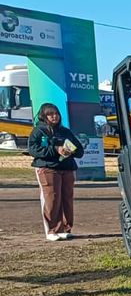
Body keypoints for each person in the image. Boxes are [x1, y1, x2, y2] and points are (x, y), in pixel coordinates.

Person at [27, 103, 86, 240]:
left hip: (67, 168)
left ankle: (65, 228)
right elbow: (33, 150)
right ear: (44, 116)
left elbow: (80, 151)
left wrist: (71, 150)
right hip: (48, 168)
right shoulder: (38, 131)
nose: (54, 116)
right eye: (50, 114)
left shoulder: (66, 131)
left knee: (67, 198)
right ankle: (52, 230)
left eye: (56, 113)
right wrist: (55, 149)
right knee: (52, 198)